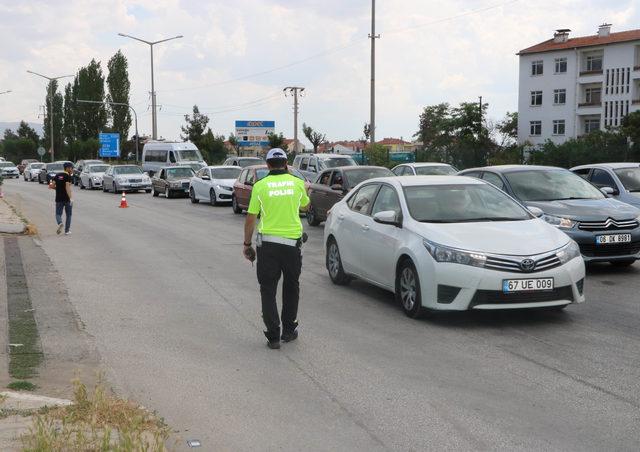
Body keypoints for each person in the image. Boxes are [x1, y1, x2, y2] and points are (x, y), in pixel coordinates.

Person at [243, 148, 310, 349]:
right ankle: (289, 331)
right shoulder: (298, 184)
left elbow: (251, 218)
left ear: (268, 165)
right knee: (291, 287)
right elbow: (305, 207)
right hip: (292, 247)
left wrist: (247, 244)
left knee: (268, 289)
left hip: (268, 247)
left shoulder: (260, 186)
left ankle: (273, 336)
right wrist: (306, 192)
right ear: (287, 164)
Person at [50, 162, 73, 235]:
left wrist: (58, 188)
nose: (72, 169)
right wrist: (71, 198)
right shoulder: (68, 176)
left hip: (58, 198)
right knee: (68, 215)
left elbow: (51, 186)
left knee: (58, 214)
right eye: (71, 168)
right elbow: (67, 187)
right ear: (67, 168)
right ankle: (67, 231)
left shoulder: (57, 175)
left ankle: (60, 223)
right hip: (66, 199)